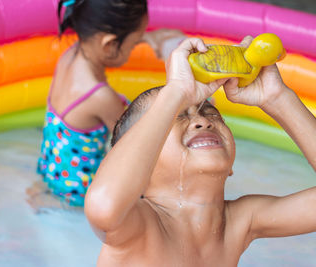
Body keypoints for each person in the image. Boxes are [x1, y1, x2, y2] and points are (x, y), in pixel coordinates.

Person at [84, 36, 316, 266]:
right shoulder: (136, 227)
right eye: (178, 117)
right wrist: (175, 92)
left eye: (212, 114)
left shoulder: (241, 221)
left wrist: (278, 98)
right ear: (142, 166)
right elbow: (104, 205)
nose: (203, 122)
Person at [28, 0, 185, 207]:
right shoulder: (101, 97)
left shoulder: (70, 56)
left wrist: (148, 38)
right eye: (133, 42)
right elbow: (139, 143)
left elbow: (109, 44)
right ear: (109, 44)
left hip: (53, 170)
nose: (132, 50)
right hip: (79, 193)